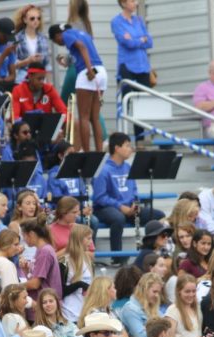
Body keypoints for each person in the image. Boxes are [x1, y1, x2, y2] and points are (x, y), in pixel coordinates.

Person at [92, 132, 165, 260]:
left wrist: (135, 205)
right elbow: (99, 197)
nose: (130, 149)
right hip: (105, 209)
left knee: (158, 215)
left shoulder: (128, 167)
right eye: (127, 145)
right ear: (117, 148)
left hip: (129, 208)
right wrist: (120, 207)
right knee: (118, 218)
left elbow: (134, 191)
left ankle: (151, 252)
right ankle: (117, 257)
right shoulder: (103, 170)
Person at [48, 22, 104, 151]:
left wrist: (89, 69)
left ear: (57, 35)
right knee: (94, 117)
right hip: (100, 71)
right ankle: (99, 152)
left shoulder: (66, 35)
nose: (59, 44)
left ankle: (87, 153)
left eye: (56, 41)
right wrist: (67, 62)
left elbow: (82, 48)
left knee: (83, 116)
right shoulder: (81, 33)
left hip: (88, 72)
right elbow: (82, 53)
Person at [112, 0, 152, 141]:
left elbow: (150, 42)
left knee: (142, 102)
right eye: (132, 0)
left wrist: (136, 39)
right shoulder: (117, 22)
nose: (135, 2)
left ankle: (140, 139)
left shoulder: (139, 20)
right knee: (126, 102)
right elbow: (126, 43)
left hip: (143, 66)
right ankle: (121, 139)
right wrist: (141, 39)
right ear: (123, 3)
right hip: (127, 66)